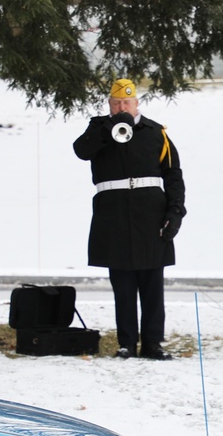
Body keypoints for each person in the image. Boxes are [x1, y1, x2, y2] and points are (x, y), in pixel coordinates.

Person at [73, 79, 185, 360]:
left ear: (137, 104)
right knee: (122, 286)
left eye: (126, 102)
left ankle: (153, 344)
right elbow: (81, 151)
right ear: (109, 105)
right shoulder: (98, 128)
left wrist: (175, 211)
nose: (121, 107)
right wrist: (106, 131)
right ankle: (126, 343)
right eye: (116, 103)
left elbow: (173, 175)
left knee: (152, 285)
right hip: (113, 215)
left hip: (150, 213)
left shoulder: (156, 132)